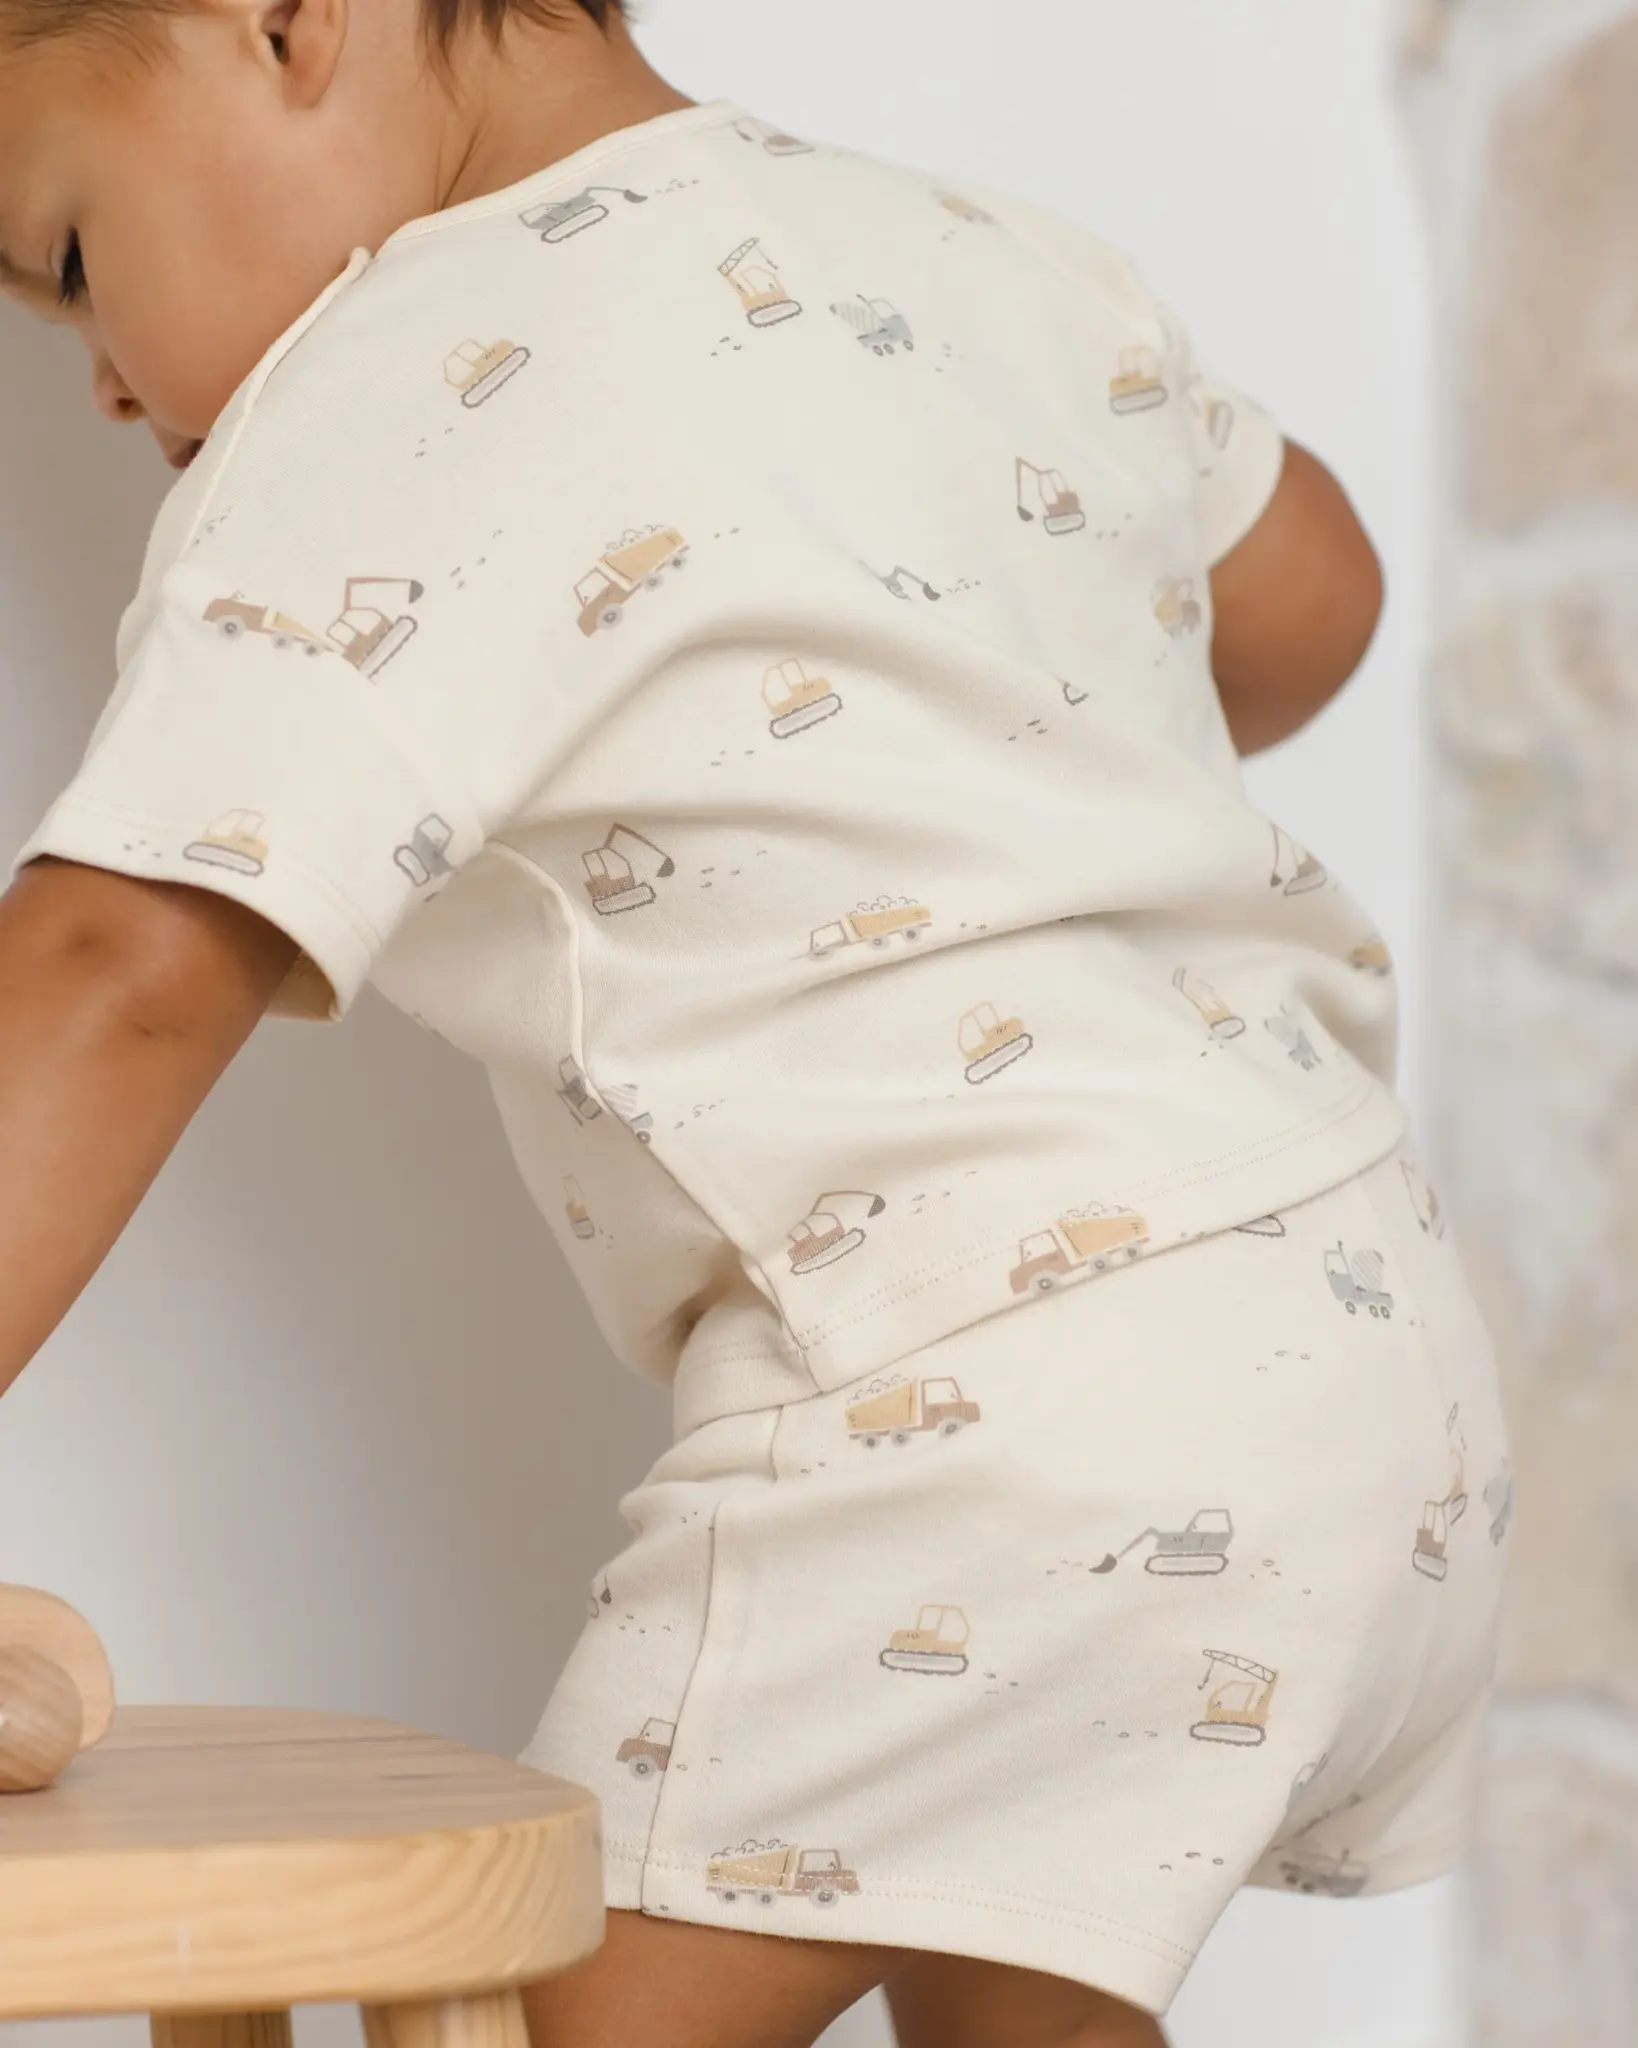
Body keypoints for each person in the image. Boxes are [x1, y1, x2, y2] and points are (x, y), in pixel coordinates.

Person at [0, 0, 1509, 2042]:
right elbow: (1312, 594)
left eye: (68, 254)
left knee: (536, 2011)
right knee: (1017, 1974)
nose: (99, 377)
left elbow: (119, 967)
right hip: (1354, 1336)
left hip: (991, 1402)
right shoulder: (966, 251)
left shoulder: (389, 389)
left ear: (281, 22)